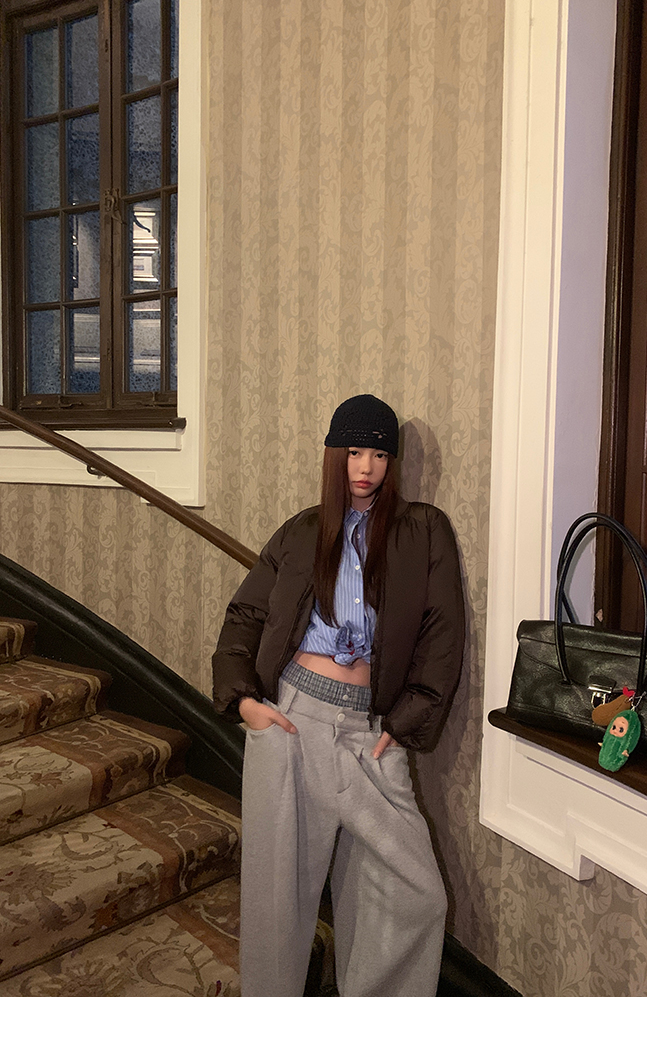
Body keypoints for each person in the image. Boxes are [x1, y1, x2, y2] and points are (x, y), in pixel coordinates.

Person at [212, 394, 465, 997]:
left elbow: (442, 635)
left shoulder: (423, 531)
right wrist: (245, 702)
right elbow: (246, 614)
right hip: (293, 720)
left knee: (415, 894)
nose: (366, 467)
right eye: (354, 452)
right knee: (277, 902)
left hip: (369, 732)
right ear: (334, 456)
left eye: (379, 454)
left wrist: (403, 723)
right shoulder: (301, 531)